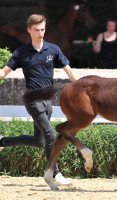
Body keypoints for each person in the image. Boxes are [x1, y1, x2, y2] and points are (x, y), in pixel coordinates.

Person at [0, 14, 78, 185]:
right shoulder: (21, 52)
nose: (40, 33)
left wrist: (81, 86)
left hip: (47, 102)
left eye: (42, 29)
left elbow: (69, 70)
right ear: (29, 30)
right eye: (36, 30)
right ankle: (55, 174)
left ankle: (2, 141)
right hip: (32, 100)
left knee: (39, 141)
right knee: (50, 135)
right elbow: (4, 72)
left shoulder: (53, 50)